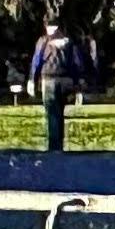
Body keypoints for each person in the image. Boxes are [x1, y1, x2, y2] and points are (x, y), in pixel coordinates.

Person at [29, 23, 86, 153]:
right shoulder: (69, 42)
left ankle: (54, 145)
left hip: (49, 79)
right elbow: (76, 64)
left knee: (52, 114)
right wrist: (77, 86)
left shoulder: (44, 41)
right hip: (66, 80)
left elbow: (37, 60)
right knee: (60, 114)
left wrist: (32, 79)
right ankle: (60, 144)